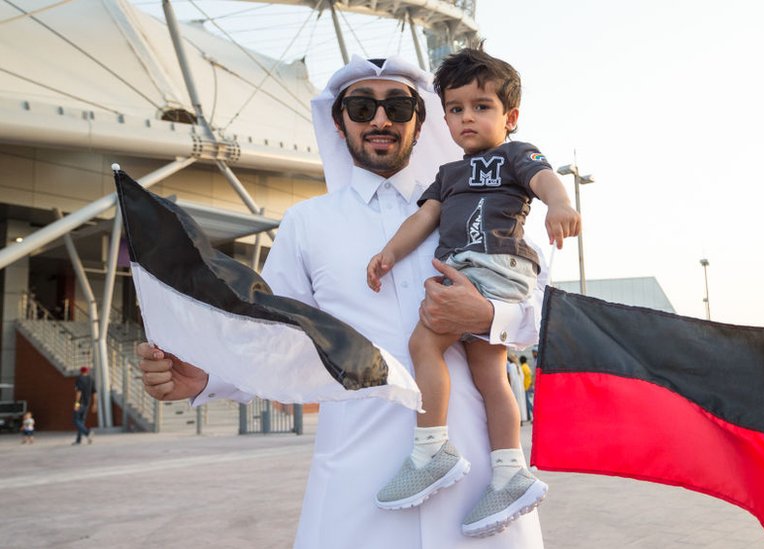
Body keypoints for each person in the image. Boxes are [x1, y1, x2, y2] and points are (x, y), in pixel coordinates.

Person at [136, 55, 545, 548]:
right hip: (359, 488)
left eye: (397, 106)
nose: (379, 120)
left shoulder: (481, 201)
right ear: (338, 120)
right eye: (361, 106)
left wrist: (490, 317)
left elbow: (542, 317)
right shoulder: (308, 224)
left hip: (481, 489)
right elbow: (270, 335)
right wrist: (205, 376)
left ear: (421, 120)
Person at [366, 47, 579, 535]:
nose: (467, 117)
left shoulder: (515, 154)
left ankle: (430, 451)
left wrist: (560, 203)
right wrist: (390, 253)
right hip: (490, 272)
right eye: (456, 108)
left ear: (511, 117)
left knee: (424, 343)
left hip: (490, 264)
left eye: (482, 106)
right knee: (491, 375)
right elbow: (424, 218)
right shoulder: (450, 174)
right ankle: (509, 470)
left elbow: (544, 178)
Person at [72, 366, 95, 445]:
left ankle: (87, 433)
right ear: (87, 371)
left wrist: (76, 403)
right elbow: (94, 392)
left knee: (75, 420)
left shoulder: (79, 379)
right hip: (87, 403)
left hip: (80, 403)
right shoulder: (91, 379)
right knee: (81, 421)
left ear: (81, 372)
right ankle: (79, 440)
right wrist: (94, 404)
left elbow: (79, 392)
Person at [519, 356, 534, 422]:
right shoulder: (527, 367)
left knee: (527, 402)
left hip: (525, 386)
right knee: (527, 401)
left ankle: (534, 412)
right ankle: (528, 416)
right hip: (528, 385)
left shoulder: (522, 367)